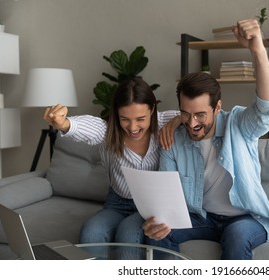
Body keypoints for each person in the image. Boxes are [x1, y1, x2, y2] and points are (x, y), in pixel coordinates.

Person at [143, 19, 269, 260]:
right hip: (200, 217)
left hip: (244, 218)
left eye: (200, 114)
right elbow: (167, 196)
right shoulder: (174, 138)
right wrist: (160, 221)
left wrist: (257, 50)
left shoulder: (239, 124)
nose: (192, 124)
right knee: (157, 235)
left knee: (238, 236)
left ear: (217, 107)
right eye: (185, 114)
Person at [44, 78, 180, 256]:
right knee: (91, 232)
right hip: (118, 203)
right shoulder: (106, 131)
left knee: (129, 234)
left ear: (152, 110)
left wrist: (178, 120)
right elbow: (83, 126)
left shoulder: (164, 121)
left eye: (140, 119)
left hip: (151, 206)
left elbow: (200, 114)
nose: (133, 127)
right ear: (116, 114)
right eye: (125, 119)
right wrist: (62, 123)